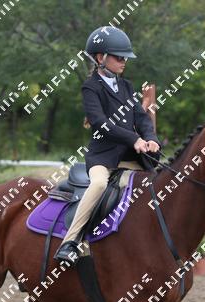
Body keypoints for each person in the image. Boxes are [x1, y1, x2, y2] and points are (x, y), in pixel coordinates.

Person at [54, 26, 162, 263]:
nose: (124, 62)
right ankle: (70, 242)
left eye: (125, 58)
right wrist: (134, 139)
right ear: (100, 57)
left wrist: (151, 139)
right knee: (99, 185)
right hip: (102, 158)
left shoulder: (126, 86)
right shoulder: (90, 87)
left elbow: (141, 118)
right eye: (119, 57)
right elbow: (100, 123)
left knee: (156, 183)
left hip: (130, 159)